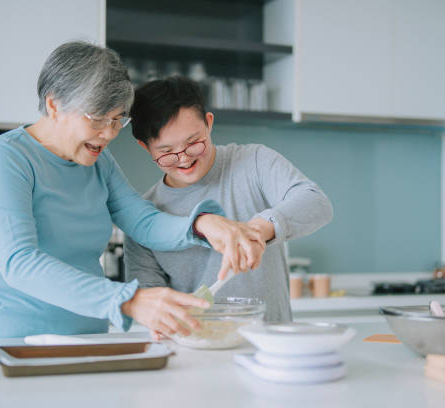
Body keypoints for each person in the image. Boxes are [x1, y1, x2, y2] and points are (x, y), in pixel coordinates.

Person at [0, 42, 265, 340]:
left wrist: (202, 224)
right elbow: (20, 263)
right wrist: (128, 301)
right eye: (97, 118)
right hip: (15, 343)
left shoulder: (99, 162)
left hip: (89, 339)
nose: (109, 133)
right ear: (54, 105)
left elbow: (143, 221)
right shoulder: (6, 160)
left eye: (118, 119)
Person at [124, 76, 333, 328]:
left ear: (209, 123)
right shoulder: (144, 217)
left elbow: (315, 202)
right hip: (197, 351)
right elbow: (150, 298)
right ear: (145, 147)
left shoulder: (254, 161)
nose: (184, 159)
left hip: (271, 346)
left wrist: (258, 230)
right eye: (166, 152)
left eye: (193, 143)